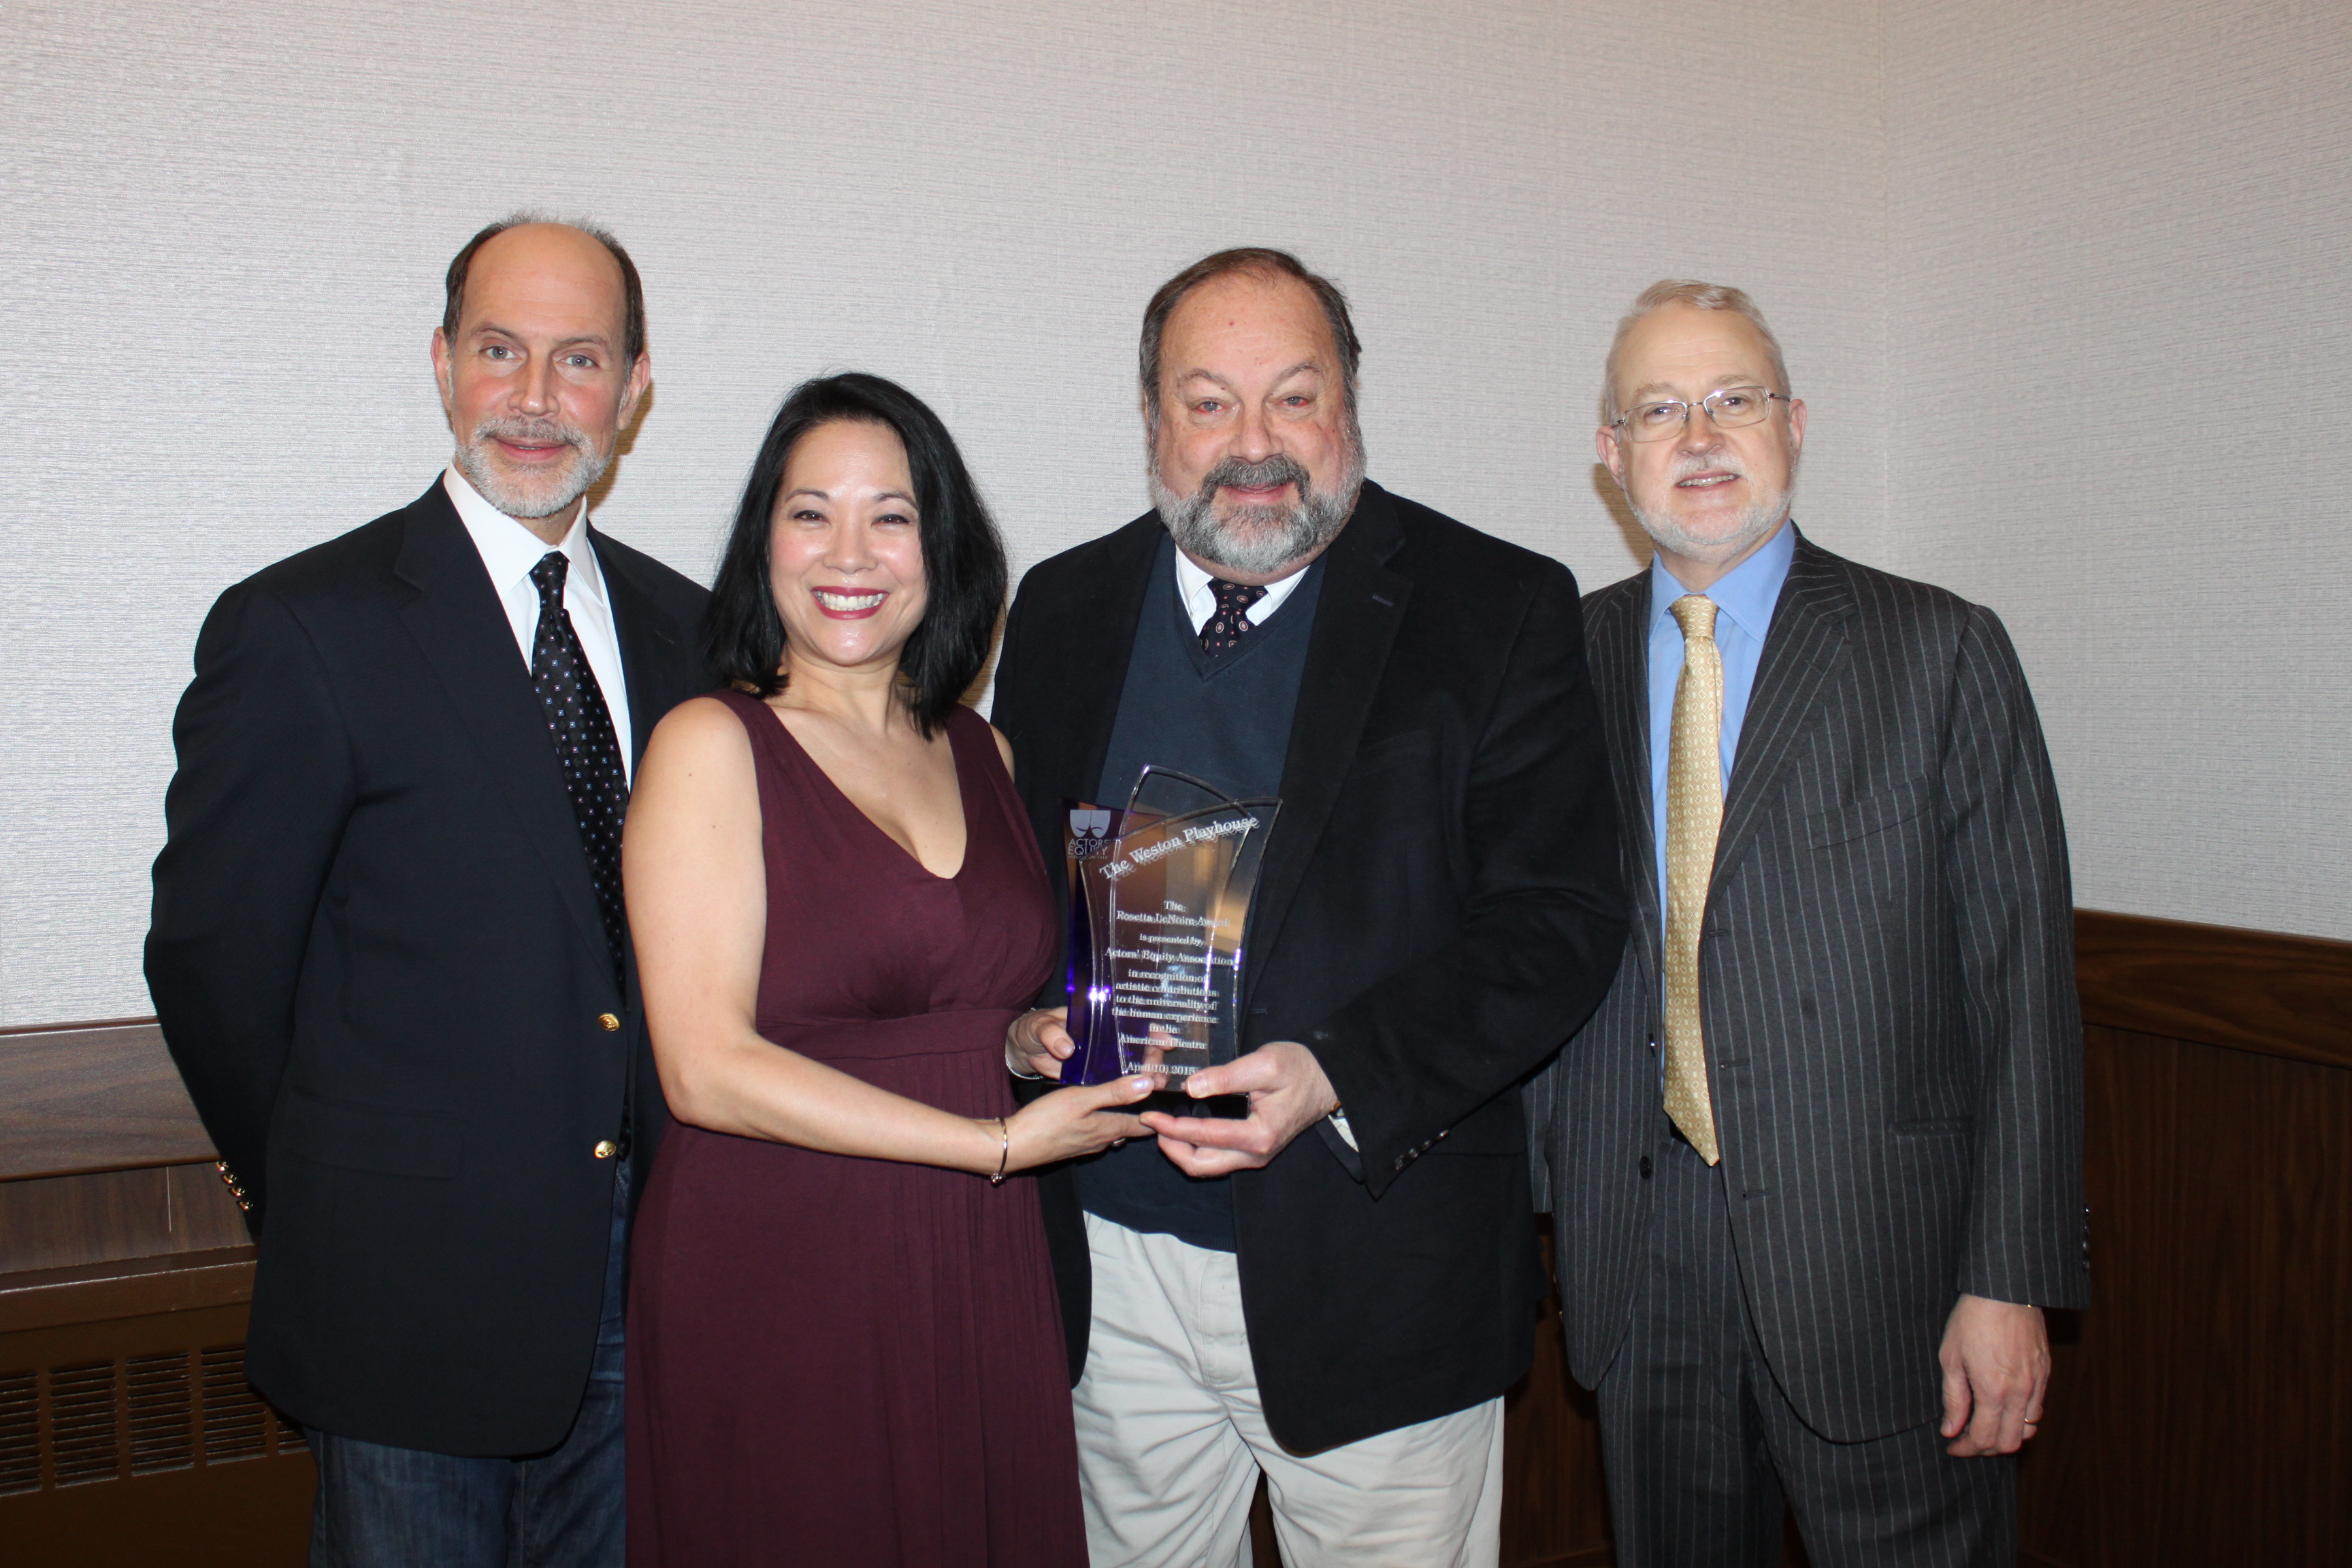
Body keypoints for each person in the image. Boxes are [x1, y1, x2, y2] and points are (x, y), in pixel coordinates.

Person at [990, 248, 1625, 1567]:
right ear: (1154, 420)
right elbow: (1010, 890)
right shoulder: (1060, 608)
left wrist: (1336, 1073)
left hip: (1378, 1258)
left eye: (1295, 396)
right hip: (1113, 1259)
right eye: (1208, 402)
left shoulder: (1496, 606)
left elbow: (1557, 925)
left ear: (1350, 403)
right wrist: (1025, 1024)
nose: (1254, 446)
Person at [145, 217, 713, 1565]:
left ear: (632, 390)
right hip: (398, 1289)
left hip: (647, 1285)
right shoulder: (303, 627)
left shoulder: (694, 632)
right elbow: (215, 965)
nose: (532, 398)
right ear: (443, 365)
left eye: (578, 359)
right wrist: (332, 1198)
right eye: (499, 350)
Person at [1526, 280, 2090, 1566]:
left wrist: (2009, 1279)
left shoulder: (1939, 649)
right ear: (1612, 460)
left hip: (1883, 1266)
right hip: (1637, 1257)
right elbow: (1536, 949)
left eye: (1735, 398)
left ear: (1795, 423)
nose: (1700, 435)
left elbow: (2023, 991)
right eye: (1657, 411)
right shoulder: (1558, 663)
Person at [619, 372, 1151, 1566]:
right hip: (785, 1260)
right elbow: (706, 1069)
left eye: (891, 515)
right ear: (764, 543)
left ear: (940, 547)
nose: (847, 552)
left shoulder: (985, 746)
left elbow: (972, 995)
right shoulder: (712, 743)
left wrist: (1019, 1045)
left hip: (979, 1257)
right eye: (810, 512)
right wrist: (999, 1145)